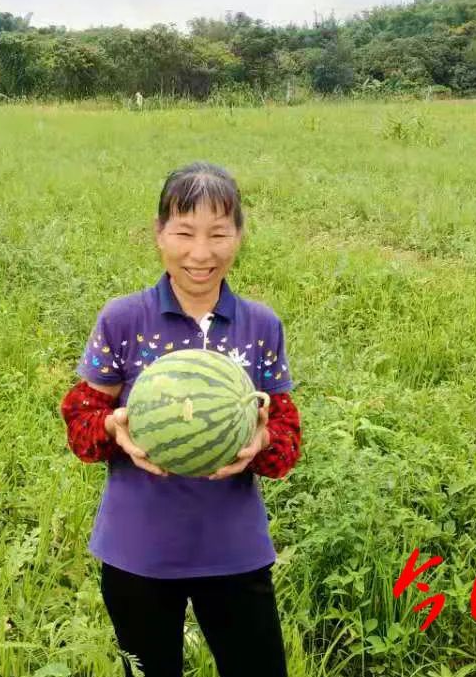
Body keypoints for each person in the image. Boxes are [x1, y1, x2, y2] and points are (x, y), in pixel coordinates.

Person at [60, 162, 302, 677]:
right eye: (184, 232)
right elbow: (82, 415)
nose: (200, 253)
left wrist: (261, 439)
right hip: (138, 548)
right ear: (159, 233)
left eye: (218, 233)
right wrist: (111, 427)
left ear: (238, 235)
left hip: (233, 547)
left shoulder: (261, 325)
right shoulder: (123, 319)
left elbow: (285, 431)